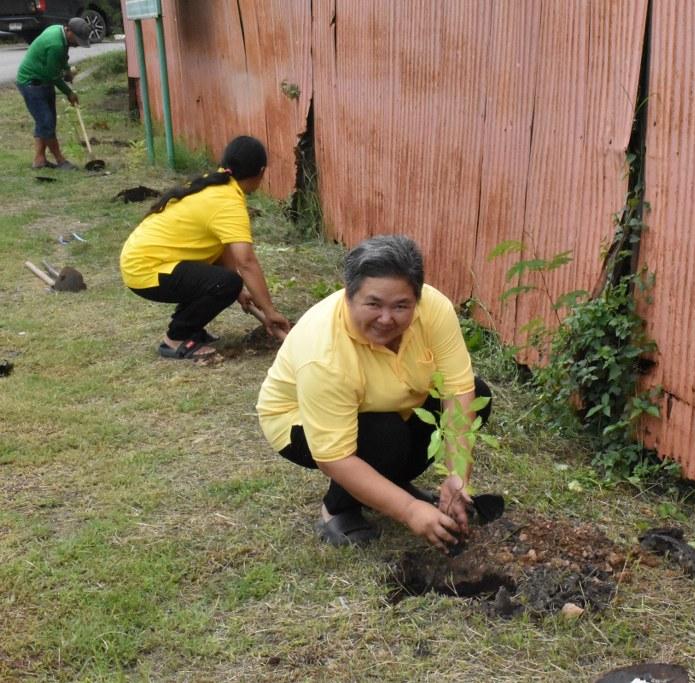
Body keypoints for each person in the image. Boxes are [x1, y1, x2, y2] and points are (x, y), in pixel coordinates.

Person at [256, 235, 493, 552]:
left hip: (393, 404)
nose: (386, 318)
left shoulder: (434, 310)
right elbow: (334, 457)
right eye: (373, 304)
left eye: (401, 306)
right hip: (298, 423)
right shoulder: (324, 351)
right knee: (384, 434)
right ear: (349, 296)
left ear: (417, 299)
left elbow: (458, 392)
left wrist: (456, 476)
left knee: (478, 394)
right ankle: (338, 508)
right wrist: (409, 510)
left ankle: (387, 482)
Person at [120, 135, 291, 359]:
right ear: (261, 172)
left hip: (144, 260)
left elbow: (224, 251)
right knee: (225, 283)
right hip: (146, 269)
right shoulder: (228, 202)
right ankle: (176, 339)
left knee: (227, 283)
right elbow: (246, 262)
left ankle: (190, 329)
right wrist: (269, 311)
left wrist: (238, 292)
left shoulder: (214, 185)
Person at [15, 18, 92, 170]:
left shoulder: (58, 31)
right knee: (47, 121)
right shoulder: (55, 44)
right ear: (69, 30)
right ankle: (60, 160)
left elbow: (61, 57)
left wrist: (67, 69)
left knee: (45, 122)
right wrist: (69, 92)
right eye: (77, 39)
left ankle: (39, 160)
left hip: (43, 81)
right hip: (31, 83)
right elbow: (53, 75)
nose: (77, 44)